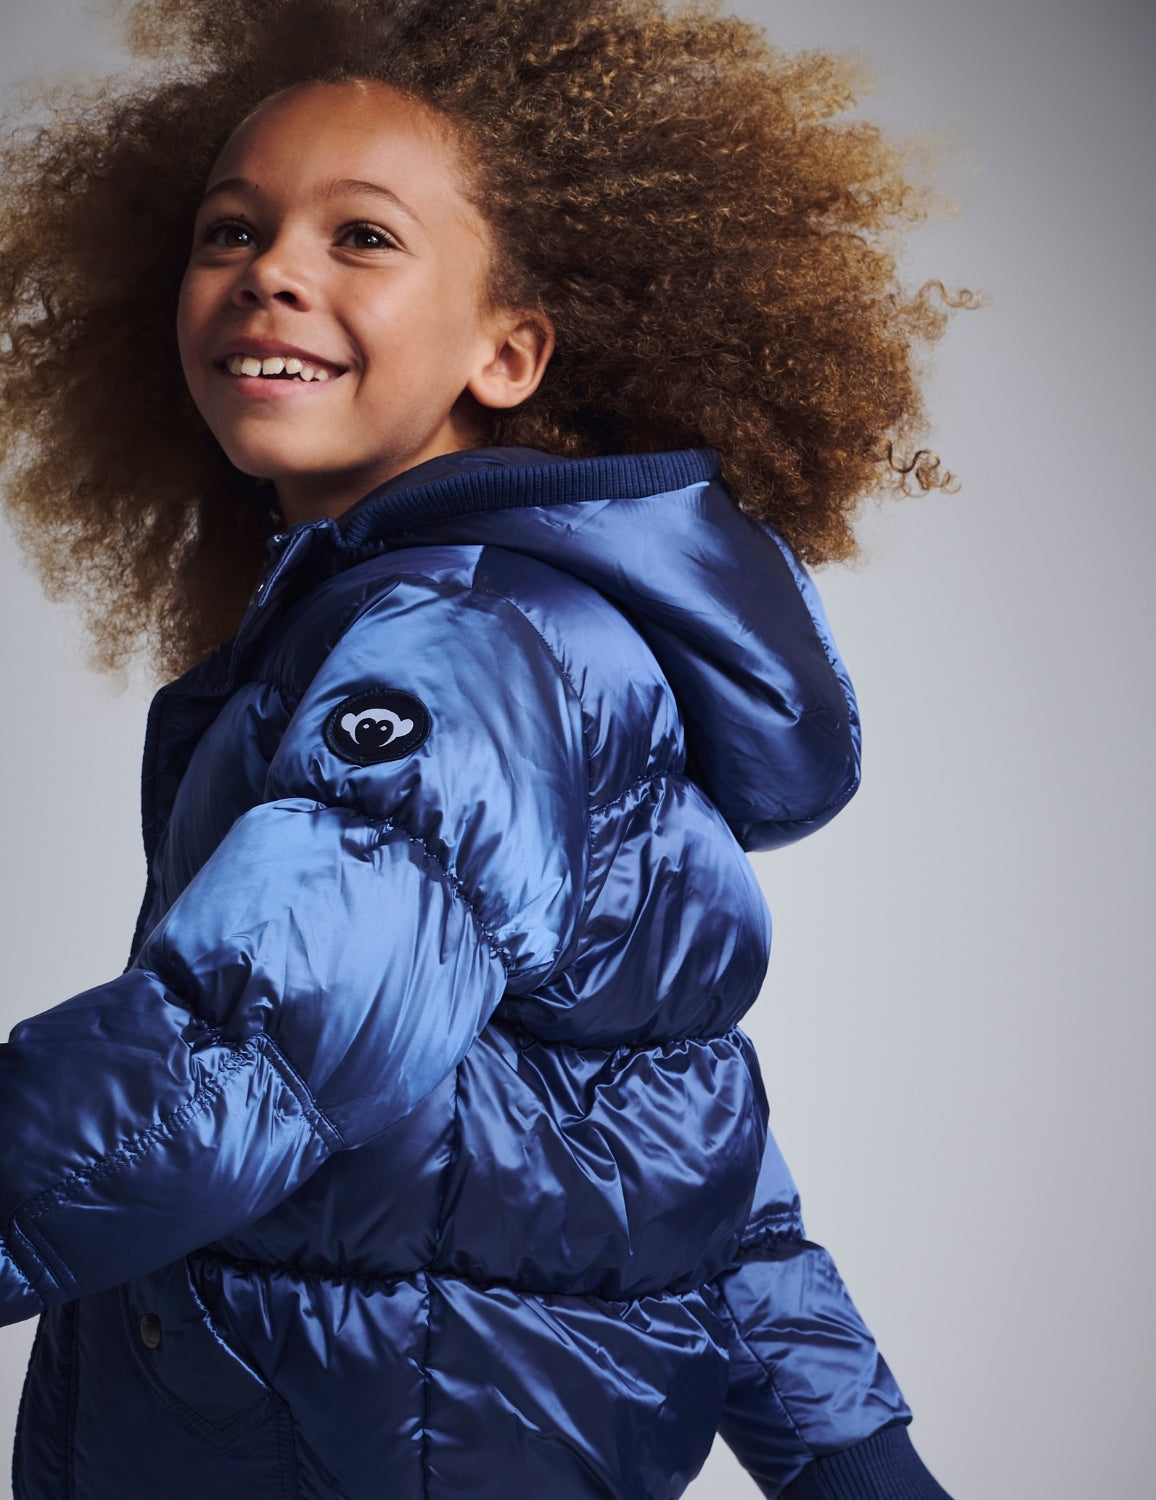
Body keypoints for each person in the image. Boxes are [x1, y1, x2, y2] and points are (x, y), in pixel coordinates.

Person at [0, 1, 965, 1495]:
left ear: (507, 352)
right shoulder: (530, 632)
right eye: (231, 230)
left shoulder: (458, 642)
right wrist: (856, 1458)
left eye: (362, 237)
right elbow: (669, 1128)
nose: (272, 272)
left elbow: (248, 1048)